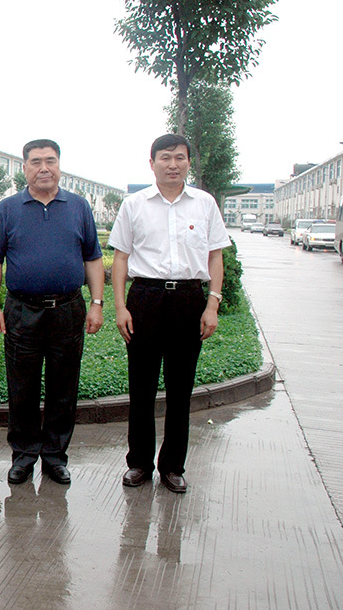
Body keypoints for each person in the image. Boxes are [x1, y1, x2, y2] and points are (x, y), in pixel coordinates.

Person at [109, 133, 230, 493]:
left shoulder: (205, 204)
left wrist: (212, 304)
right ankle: (140, 464)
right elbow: (121, 258)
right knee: (141, 387)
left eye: (180, 158)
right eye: (165, 158)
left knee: (181, 388)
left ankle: (173, 466)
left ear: (189, 162)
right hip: (145, 298)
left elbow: (215, 256)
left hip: (190, 301)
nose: (173, 164)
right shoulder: (134, 204)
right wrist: (120, 306)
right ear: (152, 163)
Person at [0, 139, 104, 486]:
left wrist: (96, 303)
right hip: (23, 310)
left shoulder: (78, 206)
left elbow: (93, 256)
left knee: (63, 387)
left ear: (60, 165)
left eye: (50, 161)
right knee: (22, 388)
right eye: (35, 161)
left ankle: (55, 456)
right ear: (24, 167)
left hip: (68, 309)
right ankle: (23, 456)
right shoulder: (8, 208)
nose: (44, 168)